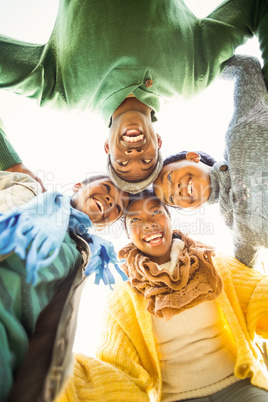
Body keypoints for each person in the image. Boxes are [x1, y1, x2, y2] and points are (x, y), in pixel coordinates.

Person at [1, 0, 268, 192]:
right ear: (158, 141)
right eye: (146, 159)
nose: (134, 152)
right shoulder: (192, 79)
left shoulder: (62, 92)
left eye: (122, 161)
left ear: (107, 147)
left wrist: (9, 162)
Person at [56, 190, 268, 401]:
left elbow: (260, 296)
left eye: (155, 212)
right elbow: (117, 367)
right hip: (176, 398)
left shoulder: (213, 265)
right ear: (129, 235)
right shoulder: (123, 297)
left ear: (169, 218)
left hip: (240, 386)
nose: (148, 224)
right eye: (136, 220)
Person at [0, 121, 129, 401]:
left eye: (116, 208)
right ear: (79, 185)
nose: (108, 202)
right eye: (106, 189)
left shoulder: (81, 258)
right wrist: (13, 163)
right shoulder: (29, 190)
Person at [154, 55, 268, 269]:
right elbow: (242, 274)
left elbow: (245, 68)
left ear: (192, 157)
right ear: (192, 206)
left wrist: (184, 67)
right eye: (170, 197)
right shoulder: (237, 231)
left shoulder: (238, 135)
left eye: (169, 177)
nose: (175, 189)